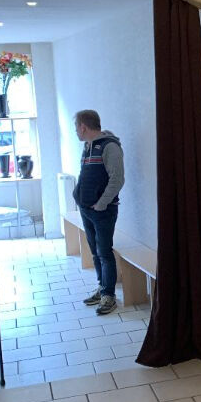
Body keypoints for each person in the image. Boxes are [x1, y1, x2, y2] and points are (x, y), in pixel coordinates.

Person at [72, 110, 124, 316]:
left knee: (104, 252)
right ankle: (102, 288)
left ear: (83, 126)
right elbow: (85, 176)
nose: (76, 131)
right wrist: (77, 196)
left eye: (76, 127)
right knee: (95, 251)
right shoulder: (87, 147)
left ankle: (109, 296)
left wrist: (101, 204)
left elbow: (117, 179)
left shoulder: (110, 147)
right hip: (86, 209)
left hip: (103, 211)